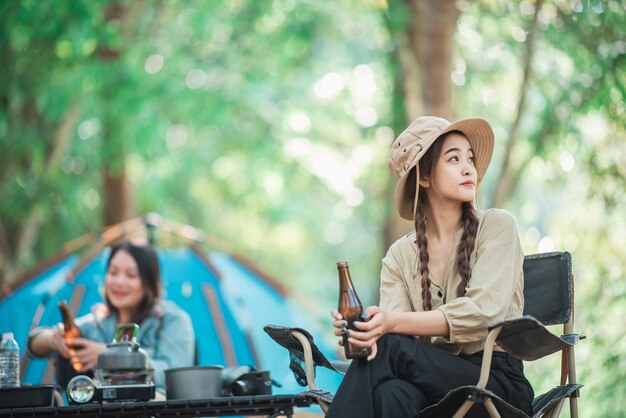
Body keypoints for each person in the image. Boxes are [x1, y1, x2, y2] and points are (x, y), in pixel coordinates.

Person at [327, 116, 534, 417]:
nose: (468, 168)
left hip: (495, 387)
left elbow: (484, 311)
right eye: (453, 159)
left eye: (470, 158)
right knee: (391, 392)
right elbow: (397, 337)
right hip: (432, 387)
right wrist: (366, 331)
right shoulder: (399, 256)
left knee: (389, 345)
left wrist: (388, 325)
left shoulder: (496, 225)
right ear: (423, 177)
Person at [28, 239, 195, 396]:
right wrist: (52, 339)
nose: (119, 282)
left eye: (131, 275)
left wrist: (111, 357)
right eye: (113, 272)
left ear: (149, 281)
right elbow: (33, 346)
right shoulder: (98, 323)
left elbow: (175, 375)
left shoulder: (172, 320)